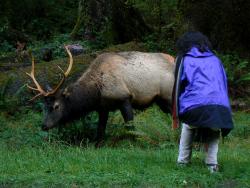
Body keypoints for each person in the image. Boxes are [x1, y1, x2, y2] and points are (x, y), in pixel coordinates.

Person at [172, 31, 234, 173]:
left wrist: (177, 111)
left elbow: (178, 87)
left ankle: (182, 161)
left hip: (194, 108)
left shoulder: (184, 59)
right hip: (220, 109)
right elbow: (223, 85)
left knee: (188, 126)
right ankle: (212, 165)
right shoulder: (216, 60)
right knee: (214, 127)